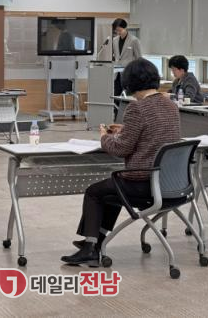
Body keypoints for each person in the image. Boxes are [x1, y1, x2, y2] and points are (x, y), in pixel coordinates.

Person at [60, 58, 181, 265]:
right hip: (170, 183)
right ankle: (96, 241)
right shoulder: (170, 105)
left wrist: (103, 136)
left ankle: (90, 248)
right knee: (111, 189)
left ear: (129, 83)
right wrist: (125, 130)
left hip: (143, 182)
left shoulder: (137, 108)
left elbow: (120, 149)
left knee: (95, 192)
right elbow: (154, 133)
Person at [112, 18, 142, 98]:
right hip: (117, 74)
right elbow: (116, 56)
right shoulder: (114, 40)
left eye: (120, 30)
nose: (118, 32)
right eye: (116, 30)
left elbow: (139, 58)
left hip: (129, 74)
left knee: (128, 97)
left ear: (125, 28)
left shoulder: (134, 40)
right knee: (116, 97)